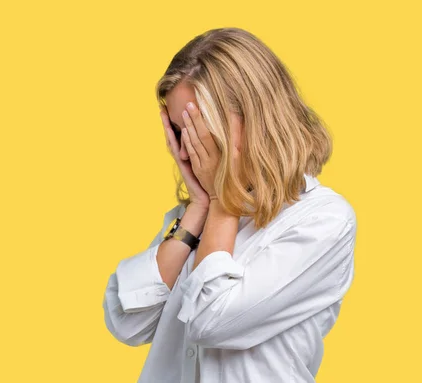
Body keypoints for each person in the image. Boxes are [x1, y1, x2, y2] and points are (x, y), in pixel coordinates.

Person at [102, 27, 357, 383]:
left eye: (195, 130)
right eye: (178, 132)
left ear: (253, 121)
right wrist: (196, 212)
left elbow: (212, 322)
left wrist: (224, 200)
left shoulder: (322, 220)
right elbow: (127, 321)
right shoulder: (198, 216)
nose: (186, 151)